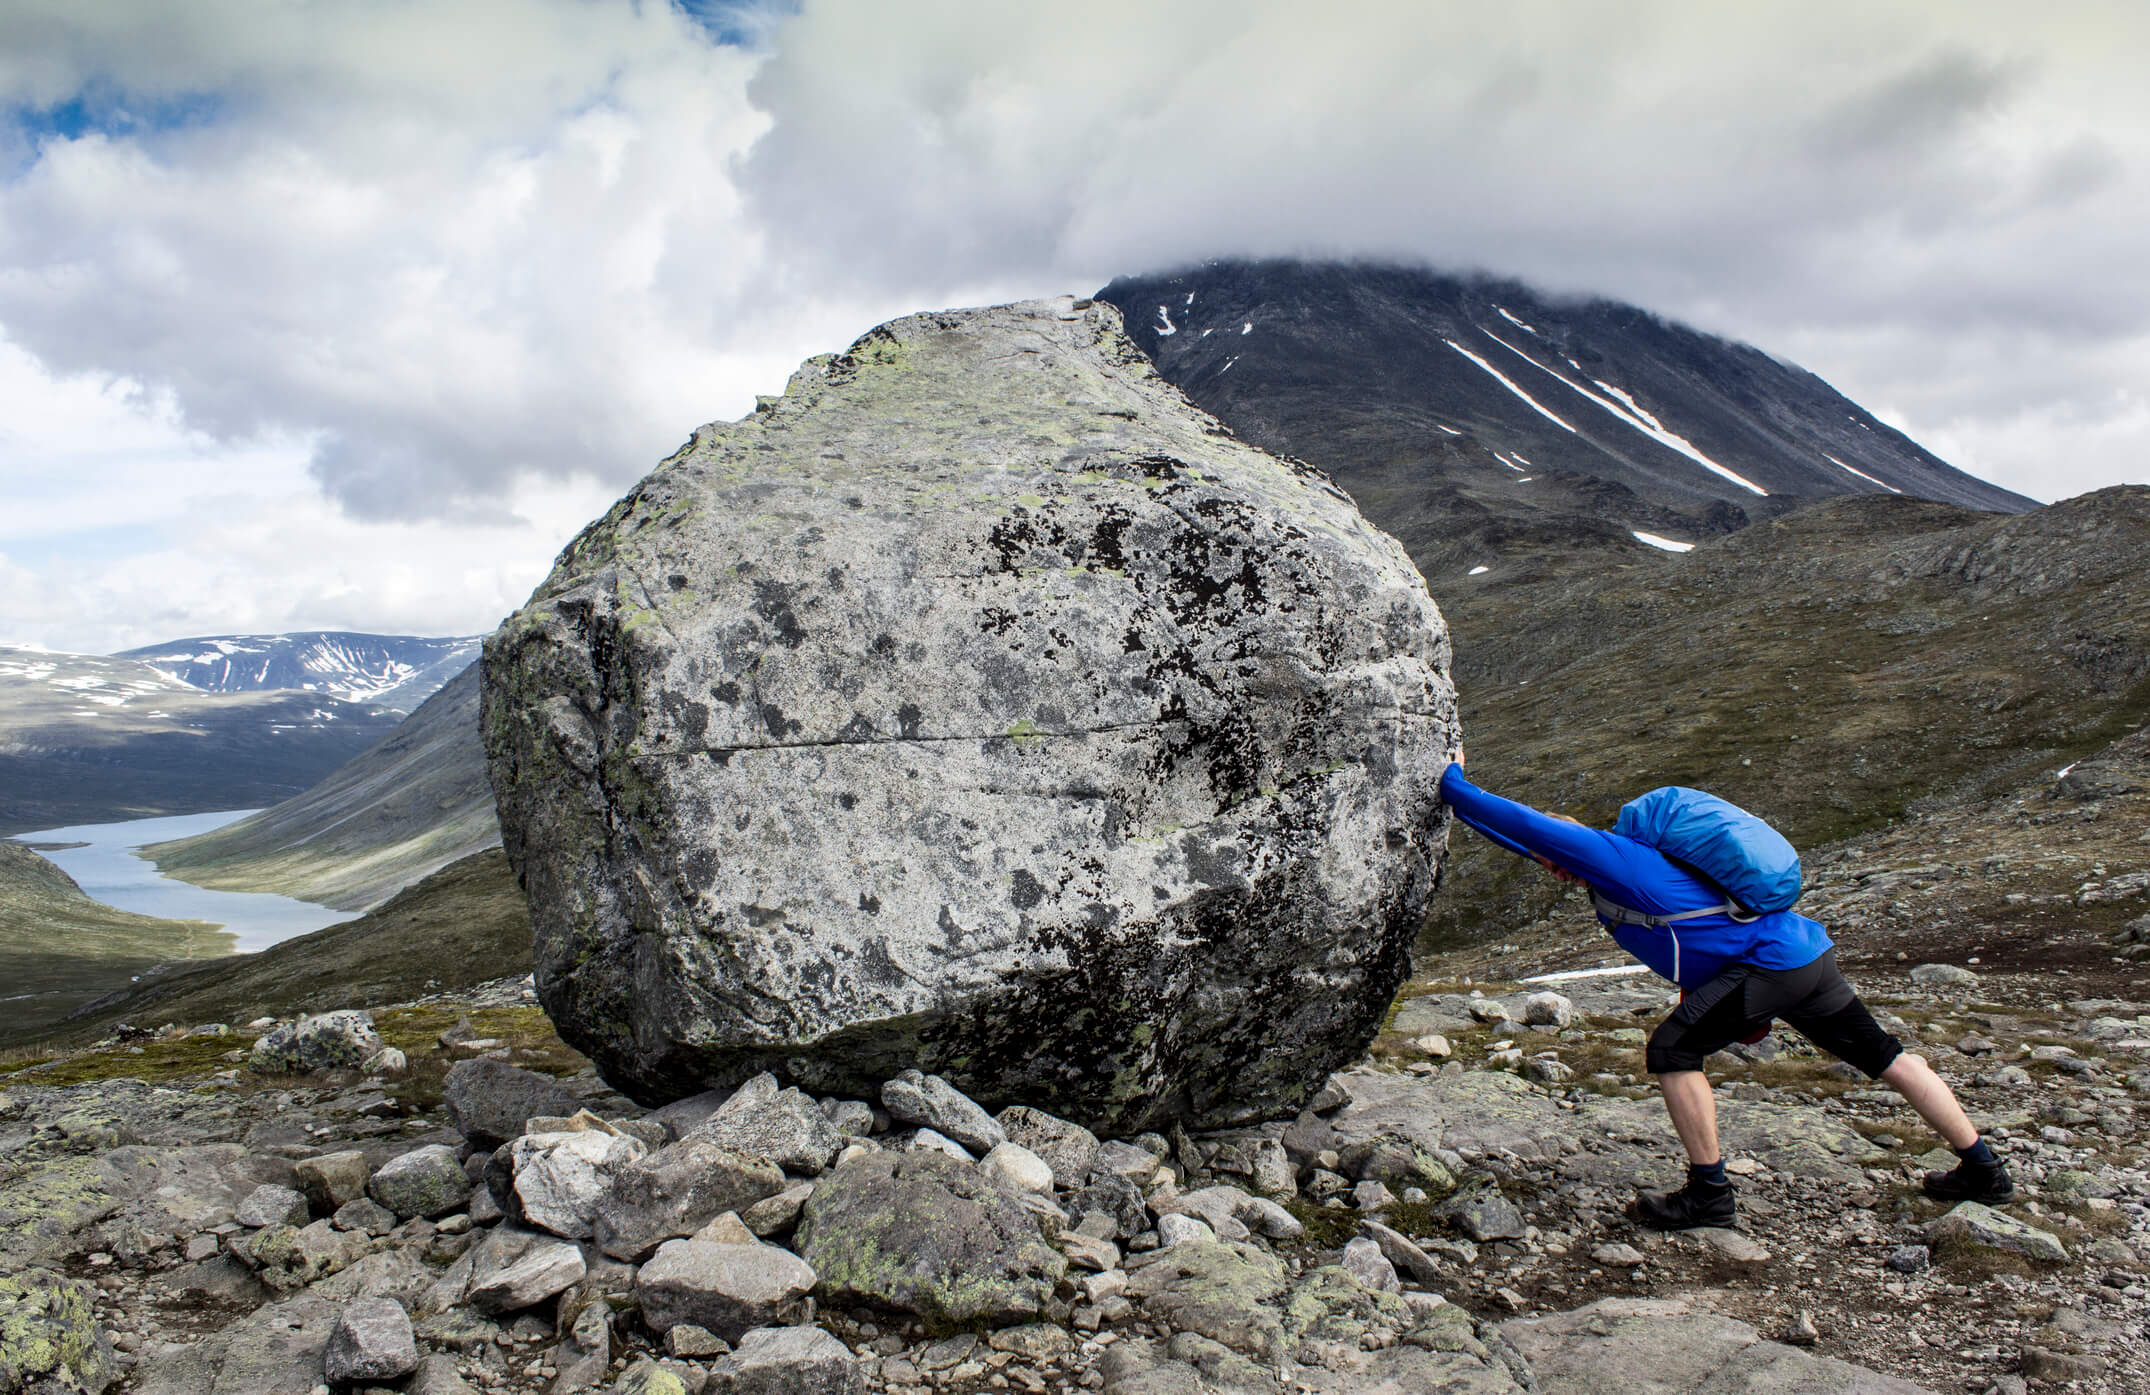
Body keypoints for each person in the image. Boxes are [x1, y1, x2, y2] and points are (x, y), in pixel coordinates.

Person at [1437, 748, 2012, 1230]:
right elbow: (1531, 844)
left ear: (1581, 845)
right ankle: (1982, 1170)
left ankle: (1708, 1194)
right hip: (1806, 955)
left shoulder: (1617, 859)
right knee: (1886, 1057)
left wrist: (1453, 780)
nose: (1556, 866)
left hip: (1767, 969)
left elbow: (1524, 826)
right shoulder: (1643, 867)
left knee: (1673, 1051)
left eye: (1561, 857)